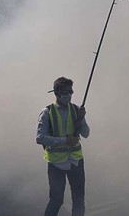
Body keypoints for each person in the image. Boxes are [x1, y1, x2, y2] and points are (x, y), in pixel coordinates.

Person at [36, 77, 90, 216]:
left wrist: (82, 118)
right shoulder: (47, 112)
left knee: (79, 200)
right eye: (67, 92)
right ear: (58, 93)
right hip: (56, 164)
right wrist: (64, 140)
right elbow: (40, 138)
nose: (70, 95)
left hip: (76, 161)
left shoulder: (77, 109)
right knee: (56, 201)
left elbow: (86, 134)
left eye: (71, 91)